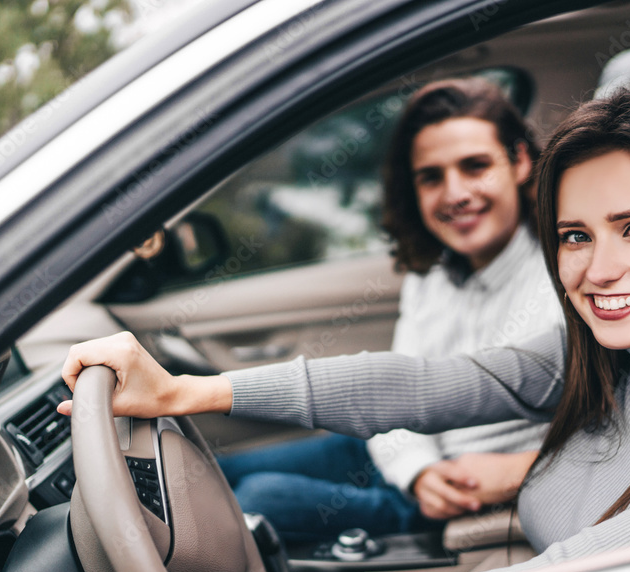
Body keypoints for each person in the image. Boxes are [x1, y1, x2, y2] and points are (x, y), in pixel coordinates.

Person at [57, 85, 630, 572]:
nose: (597, 269)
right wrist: (189, 389)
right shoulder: (618, 361)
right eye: (575, 235)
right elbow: (430, 383)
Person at [215, 77, 564, 542]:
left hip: (452, 491)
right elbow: (398, 394)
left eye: (475, 166)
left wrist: (521, 470)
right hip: (397, 456)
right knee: (211, 473)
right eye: (431, 176)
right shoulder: (431, 274)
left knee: (258, 499)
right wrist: (417, 470)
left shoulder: (566, 276)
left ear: (520, 161)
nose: (455, 193)